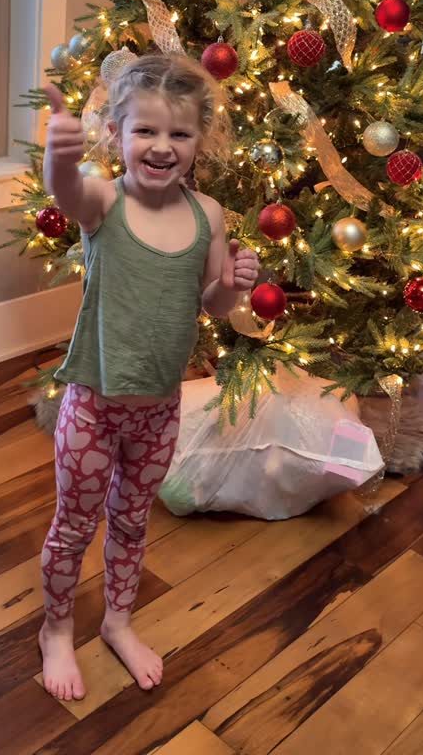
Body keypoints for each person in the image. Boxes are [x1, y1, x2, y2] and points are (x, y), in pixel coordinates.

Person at [39, 53, 260, 701]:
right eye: (145, 131)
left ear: (199, 140)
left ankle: (118, 622)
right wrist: (58, 154)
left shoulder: (208, 215)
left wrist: (231, 283)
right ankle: (56, 630)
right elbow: (67, 191)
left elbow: (213, 305)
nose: (162, 146)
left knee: (132, 523)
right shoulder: (104, 201)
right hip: (93, 407)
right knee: (74, 527)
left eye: (179, 133)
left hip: (159, 412)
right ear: (116, 133)